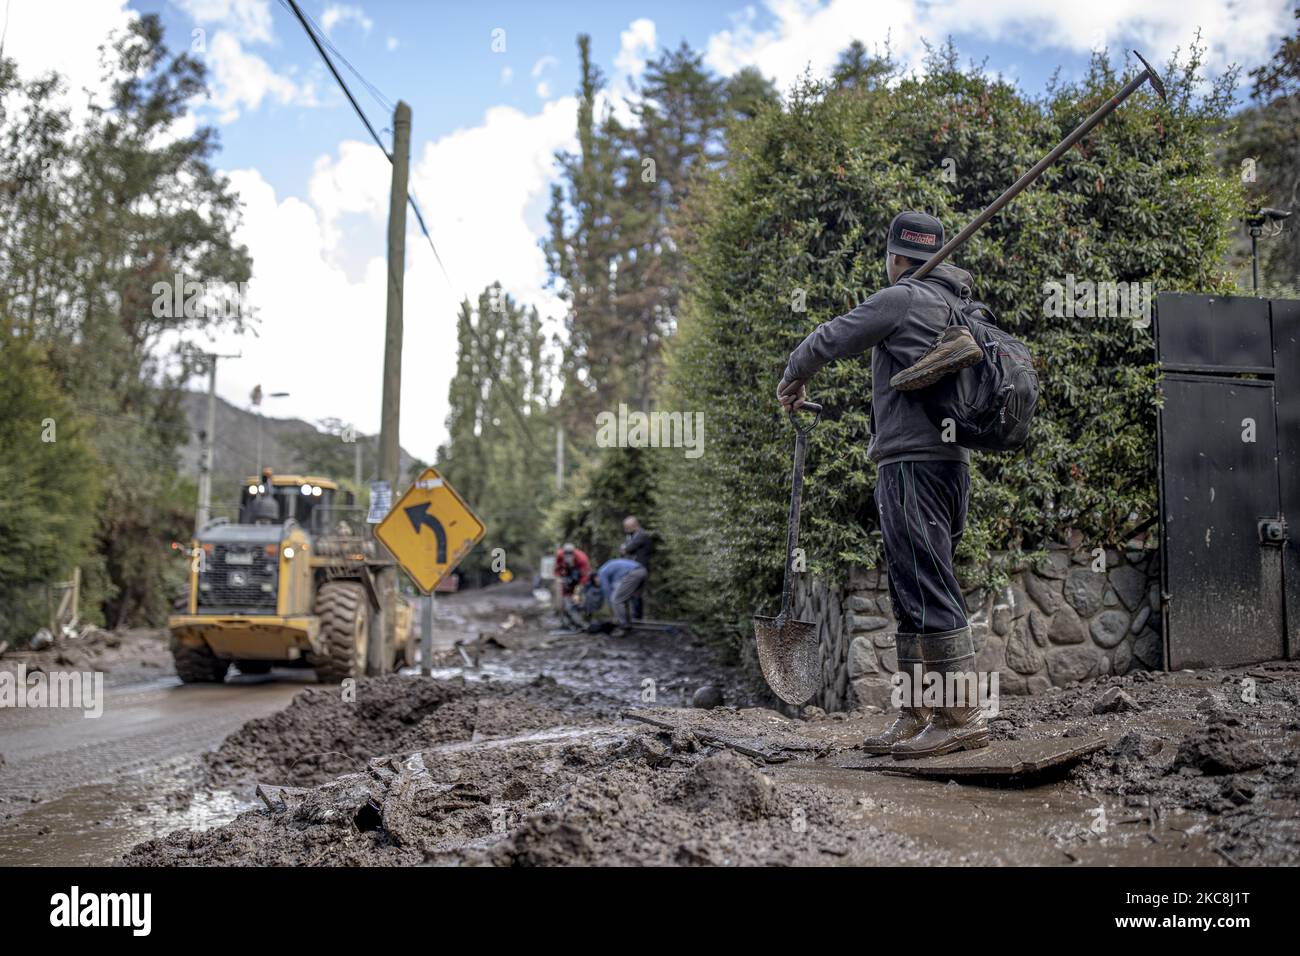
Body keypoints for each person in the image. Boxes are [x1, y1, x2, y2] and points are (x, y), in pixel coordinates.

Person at [776, 211, 988, 759]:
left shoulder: (902, 297)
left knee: (928, 587)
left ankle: (960, 715)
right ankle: (917, 712)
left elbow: (829, 338)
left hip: (911, 466)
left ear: (896, 256)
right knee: (913, 589)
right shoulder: (955, 305)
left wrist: (793, 375)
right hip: (950, 466)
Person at [596, 557, 647, 633]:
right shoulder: (609, 570)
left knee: (616, 600)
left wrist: (612, 609)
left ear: (596, 578)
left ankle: (624, 626)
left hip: (634, 573)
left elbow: (607, 591)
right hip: (642, 571)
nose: (598, 585)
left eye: (597, 584)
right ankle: (633, 620)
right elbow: (617, 587)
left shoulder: (601, 573)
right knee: (626, 598)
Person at [619, 516, 651, 619]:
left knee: (636, 594)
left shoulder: (642, 535)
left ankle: (637, 618)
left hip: (639, 570)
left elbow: (626, 549)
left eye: (627, 528)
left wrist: (625, 548)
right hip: (633, 570)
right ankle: (635, 617)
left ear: (634, 526)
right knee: (633, 594)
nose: (625, 530)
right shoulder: (633, 536)